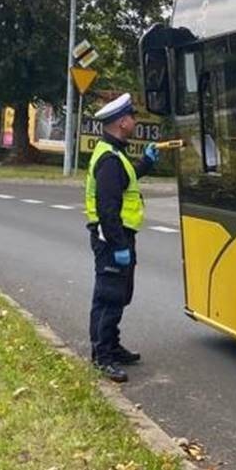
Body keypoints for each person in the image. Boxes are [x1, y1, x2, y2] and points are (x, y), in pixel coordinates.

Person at [85, 93, 159, 383]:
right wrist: (118, 246)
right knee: (109, 296)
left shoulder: (114, 154)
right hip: (112, 238)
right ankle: (102, 357)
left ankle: (111, 346)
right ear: (122, 121)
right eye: (132, 117)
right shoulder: (108, 159)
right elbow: (107, 208)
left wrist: (146, 164)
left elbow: (125, 181)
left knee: (118, 294)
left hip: (119, 236)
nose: (135, 121)